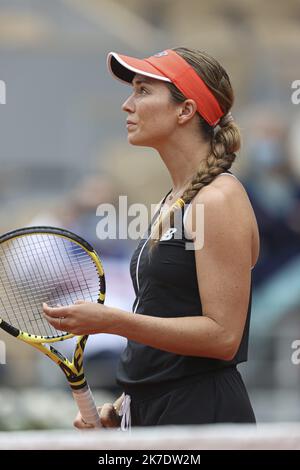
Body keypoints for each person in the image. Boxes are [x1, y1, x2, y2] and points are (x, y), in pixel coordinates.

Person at [43, 47, 260, 428]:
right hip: (156, 411)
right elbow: (167, 316)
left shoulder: (220, 198)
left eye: (143, 91)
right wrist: (126, 403)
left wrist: (110, 321)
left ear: (185, 110)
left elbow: (222, 336)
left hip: (202, 416)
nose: (127, 105)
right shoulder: (173, 200)